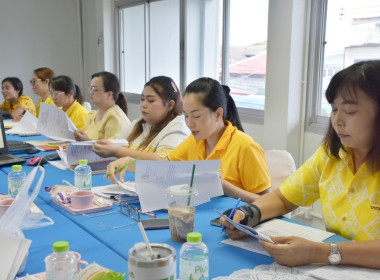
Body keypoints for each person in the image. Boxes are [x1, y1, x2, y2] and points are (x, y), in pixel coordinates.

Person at [220, 60, 380, 270]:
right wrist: (249, 214)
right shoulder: (332, 155)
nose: (338, 120)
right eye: (333, 110)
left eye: (349, 111)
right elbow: (283, 198)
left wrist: (321, 252)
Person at [106, 77, 271, 203]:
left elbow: (269, 202)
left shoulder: (245, 146)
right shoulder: (196, 141)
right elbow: (165, 167)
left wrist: (225, 187)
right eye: (185, 116)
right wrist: (128, 161)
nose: (190, 123)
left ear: (218, 114)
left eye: (197, 116)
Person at [92, 76, 190, 160]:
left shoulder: (178, 126)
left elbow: (162, 162)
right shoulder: (139, 123)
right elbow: (114, 142)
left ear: (170, 105)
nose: (143, 105)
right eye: (142, 99)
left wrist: (117, 151)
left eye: (151, 100)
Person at [74, 71, 131, 141]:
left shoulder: (114, 118)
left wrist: (87, 141)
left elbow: (111, 150)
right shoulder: (93, 114)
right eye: (90, 88)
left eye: (95, 89)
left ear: (109, 94)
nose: (91, 92)